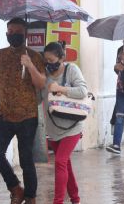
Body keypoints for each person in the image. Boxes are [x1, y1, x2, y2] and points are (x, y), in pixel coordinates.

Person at [0, 18, 46, 204]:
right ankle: (16, 188)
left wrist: (30, 65)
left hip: (28, 116)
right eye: (10, 31)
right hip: (5, 115)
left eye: (17, 31)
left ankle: (31, 197)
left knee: (26, 160)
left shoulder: (34, 56)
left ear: (25, 34)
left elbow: (41, 84)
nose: (12, 34)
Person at [43, 41, 87, 204]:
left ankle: (58, 201)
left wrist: (61, 88)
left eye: (52, 60)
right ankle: (75, 199)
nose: (49, 64)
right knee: (65, 164)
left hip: (72, 127)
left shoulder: (72, 70)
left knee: (60, 161)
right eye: (46, 60)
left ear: (62, 58)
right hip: (53, 127)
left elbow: (82, 90)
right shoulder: (45, 74)